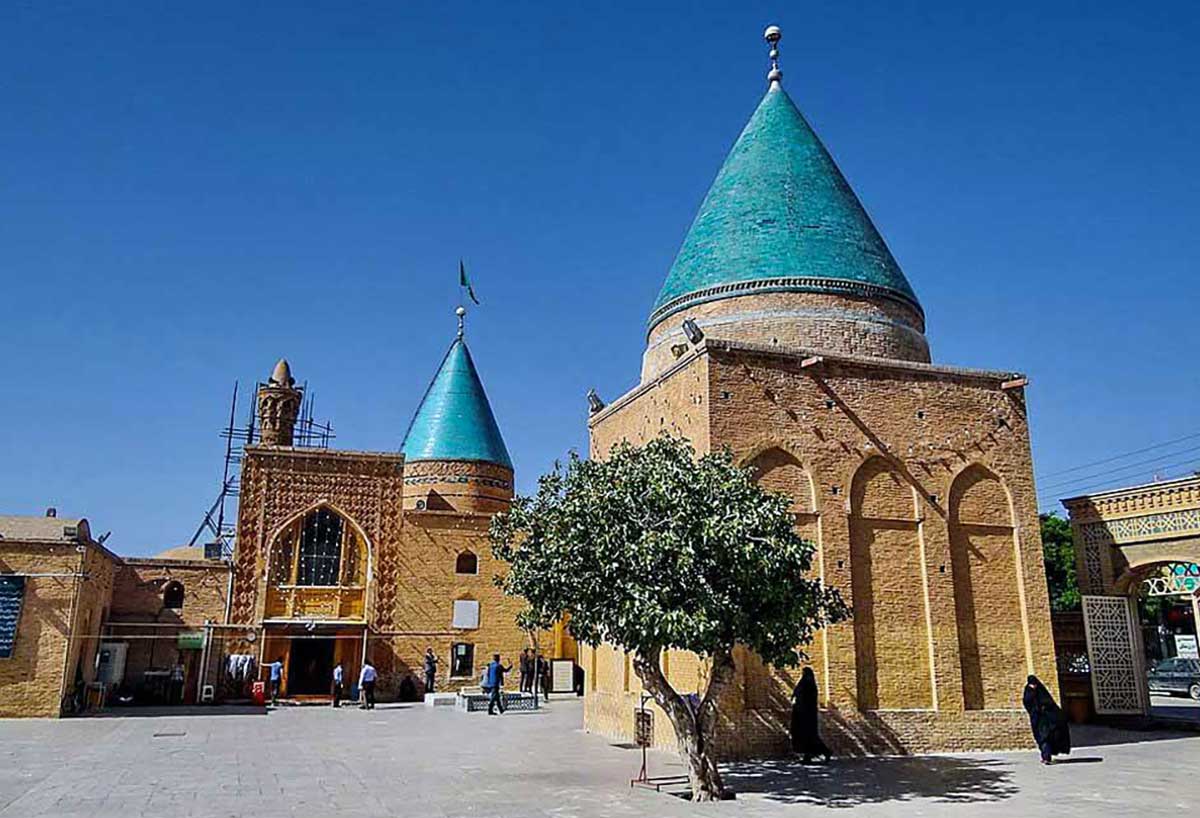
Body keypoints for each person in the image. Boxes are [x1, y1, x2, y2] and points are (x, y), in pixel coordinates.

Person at [1023, 675, 1070, 764]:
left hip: (1046, 720)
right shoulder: (1028, 692)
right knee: (1040, 738)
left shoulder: (1042, 692)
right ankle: (1045, 756)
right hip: (1036, 719)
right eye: (1031, 684)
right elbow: (1027, 702)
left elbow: (1050, 704)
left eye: (1034, 684)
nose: (1033, 686)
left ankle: (1046, 757)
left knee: (1045, 738)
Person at [790, 667, 832, 763]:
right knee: (805, 736)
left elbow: (808, 700)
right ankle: (810, 755)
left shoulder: (809, 686)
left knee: (809, 736)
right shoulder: (804, 684)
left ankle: (821, 753)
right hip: (801, 715)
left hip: (807, 716)